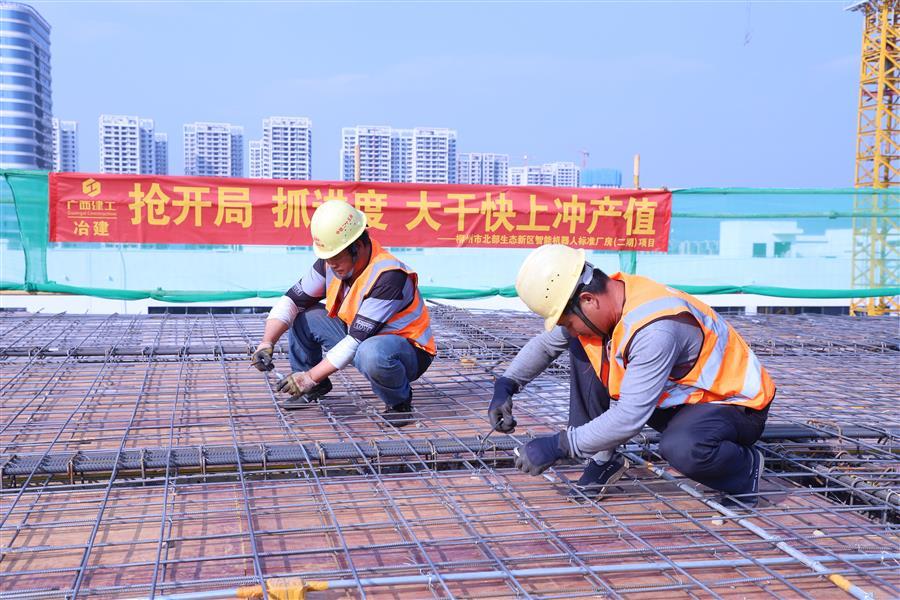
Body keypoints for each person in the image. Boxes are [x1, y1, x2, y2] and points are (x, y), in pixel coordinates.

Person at [492, 244, 775, 505]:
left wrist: (560, 445)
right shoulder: (614, 296)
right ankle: (602, 458)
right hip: (678, 399)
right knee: (583, 345)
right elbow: (546, 345)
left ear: (588, 299)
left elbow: (629, 417)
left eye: (568, 322)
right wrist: (506, 385)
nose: (569, 329)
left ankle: (742, 471)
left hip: (732, 406)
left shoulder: (656, 329)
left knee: (681, 447)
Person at [252, 200, 436, 426]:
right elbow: (291, 301)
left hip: (405, 352)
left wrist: (310, 377)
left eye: (336, 258)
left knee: (371, 353)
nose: (331, 265)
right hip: (360, 338)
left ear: (357, 247)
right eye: (328, 259)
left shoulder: (389, 276)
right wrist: (266, 342)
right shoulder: (330, 263)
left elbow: (355, 342)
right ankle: (313, 386)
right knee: (304, 315)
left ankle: (399, 403)